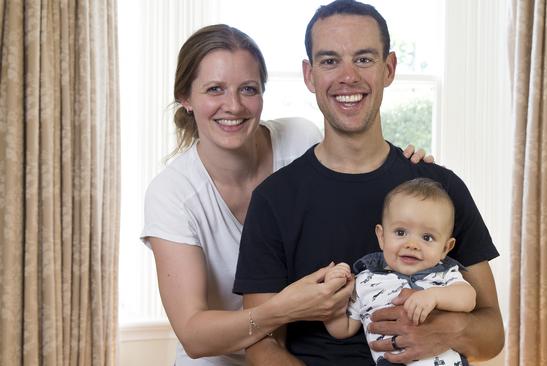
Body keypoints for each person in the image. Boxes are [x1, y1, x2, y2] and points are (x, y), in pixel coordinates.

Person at [140, 24, 432, 366]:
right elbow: (192, 334)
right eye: (214, 89)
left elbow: (360, 180)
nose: (233, 105)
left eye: (248, 89)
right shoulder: (172, 194)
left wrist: (407, 170)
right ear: (186, 98)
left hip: (298, 352)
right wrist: (285, 308)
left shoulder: (300, 140)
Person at [233, 1, 504, 365]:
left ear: (388, 68)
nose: (348, 77)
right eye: (330, 61)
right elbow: (262, 345)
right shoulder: (274, 199)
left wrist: (449, 330)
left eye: (363, 59)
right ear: (310, 75)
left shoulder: (441, 188)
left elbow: (492, 337)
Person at [323, 178, 476, 366]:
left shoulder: (443, 274)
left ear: (445, 248)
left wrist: (434, 296)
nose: (411, 245)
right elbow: (343, 329)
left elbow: (468, 298)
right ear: (381, 236)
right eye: (401, 232)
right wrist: (332, 303)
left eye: (427, 237)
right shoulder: (364, 280)